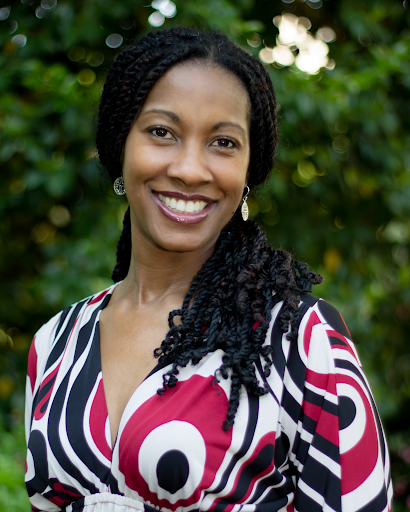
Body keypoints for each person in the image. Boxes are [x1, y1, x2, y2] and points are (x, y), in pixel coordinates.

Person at [25, 28, 393, 512]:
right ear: (120, 145)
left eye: (222, 142)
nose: (191, 169)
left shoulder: (299, 339)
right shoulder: (56, 343)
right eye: (162, 132)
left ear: (248, 170)